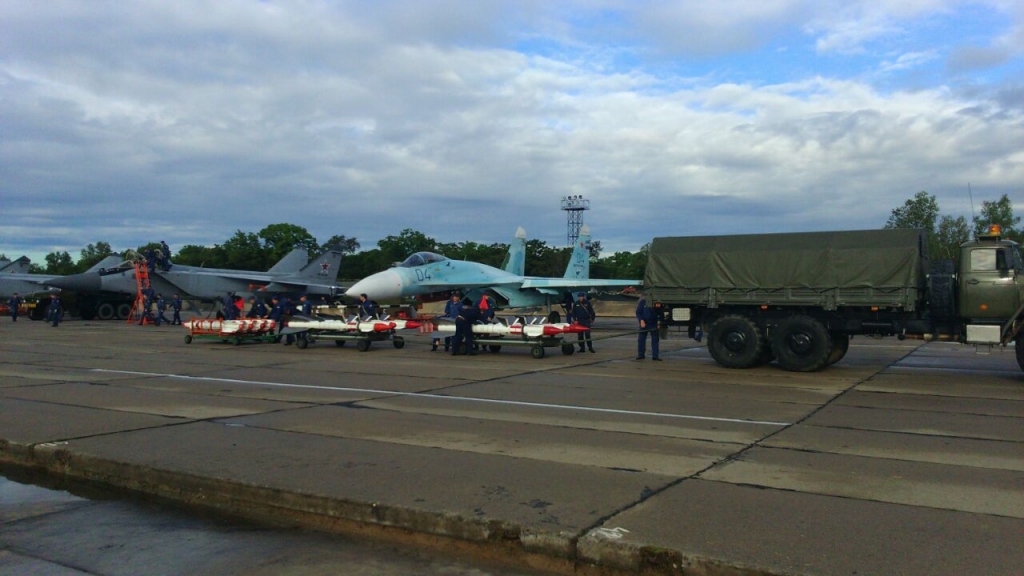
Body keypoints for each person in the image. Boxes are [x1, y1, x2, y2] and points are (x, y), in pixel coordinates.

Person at [636, 296, 663, 361]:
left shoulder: (656, 302)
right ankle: (641, 355)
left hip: (653, 323)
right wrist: (641, 320)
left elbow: (660, 313)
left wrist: (659, 322)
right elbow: (638, 312)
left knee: (655, 340)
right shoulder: (643, 302)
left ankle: (655, 356)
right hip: (644, 323)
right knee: (641, 340)